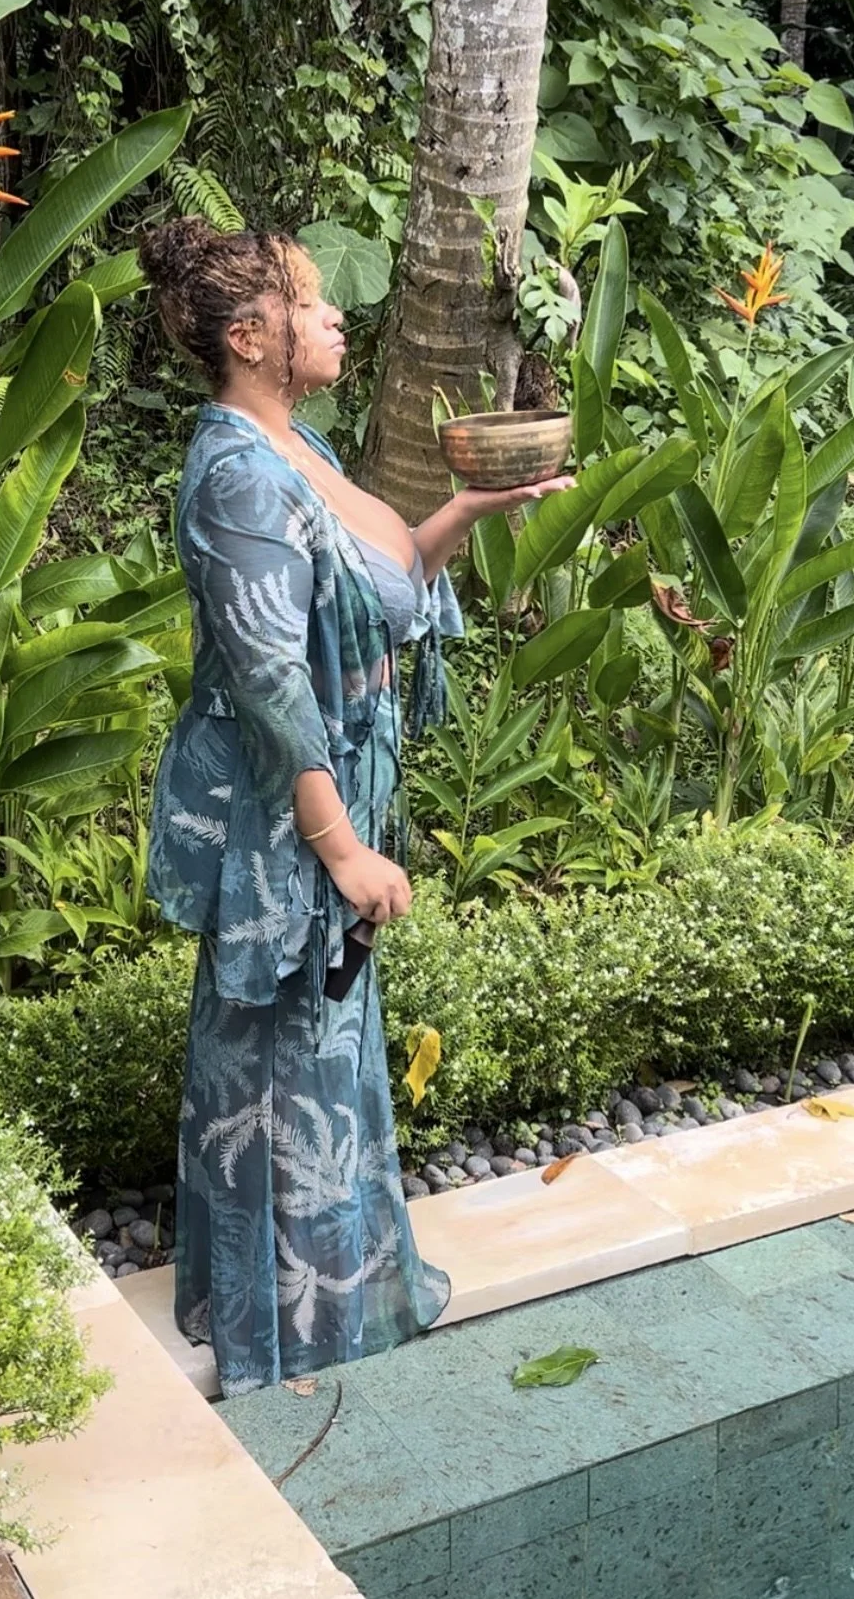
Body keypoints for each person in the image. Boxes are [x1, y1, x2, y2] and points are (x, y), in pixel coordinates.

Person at [140, 220, 573, 1397]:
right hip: (287, 825)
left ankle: (329, 1305)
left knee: (321, 1062)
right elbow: (273, 675)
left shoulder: (298, 445)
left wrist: (477, 511)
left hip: (327, 808)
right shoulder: (236, 472)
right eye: (311, 306)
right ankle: (285, 1338)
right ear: (250, 338)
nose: (336, 319)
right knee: (281, 1068)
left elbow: (381, 582)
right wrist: (340, 852)